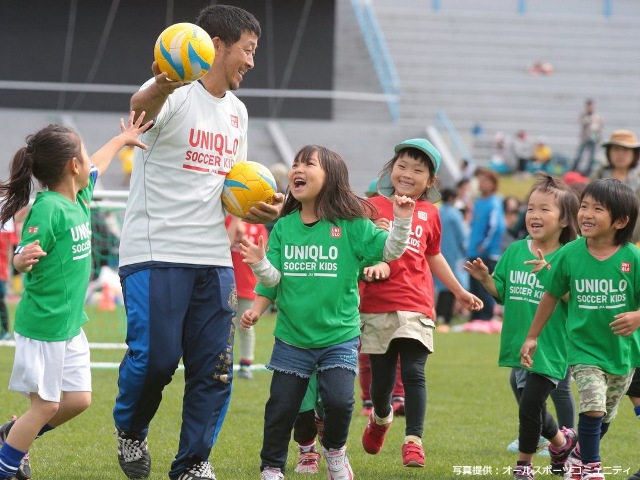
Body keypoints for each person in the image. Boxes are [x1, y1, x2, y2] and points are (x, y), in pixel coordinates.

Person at [113, 6, 283, 480]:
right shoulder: (174, 94)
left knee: (216, 369)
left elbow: (237, 186)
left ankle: (192, 463)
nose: (251, 61)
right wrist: (164, 82)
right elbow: (140, 110)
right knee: (156, 361)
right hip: (155, 251)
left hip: (214, 257)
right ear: (216, 44)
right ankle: (129, 428)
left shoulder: (238, 112)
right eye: (248, 49)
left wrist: (260, 208)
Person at [239, 144, 416, 480]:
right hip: (292, 339)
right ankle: (272, 467)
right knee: (281, 407)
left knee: (339, 402)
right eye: (295, 163)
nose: (297, 169)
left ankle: (334, 451)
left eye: (308, 163)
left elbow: (390, 251)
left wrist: (402, 220)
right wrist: (260, 262)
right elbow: (274, 279)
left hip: (339, 336)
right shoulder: (285, 226)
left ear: (331, 177)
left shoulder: (351, 225)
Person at [0, 112, 151, 480]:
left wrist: (123, 138)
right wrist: (22, 259)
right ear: (72, 165)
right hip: (44, 325)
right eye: (83, 155)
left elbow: (97, 163)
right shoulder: (48, 207)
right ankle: (6, 465)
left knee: (78, 401)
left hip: (69, 325)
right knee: (46, 406)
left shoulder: (80, 195)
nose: (89, 161)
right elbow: (22, 255)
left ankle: (11, 439)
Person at [359, 138, 482, 468]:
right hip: (377, 305)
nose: (408, 173)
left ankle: (414, 440)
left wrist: (458, 291)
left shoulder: (430, 213)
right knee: (381, 384)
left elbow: (434, 256)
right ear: (391, 170)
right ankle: (381, 419)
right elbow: (358, 251)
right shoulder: (371, 207)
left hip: (417, 303)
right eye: (402, 166)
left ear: (430, 181)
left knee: (414, 372)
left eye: (418, 169)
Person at [520, 178, 640, 480]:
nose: (586, 213)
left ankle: (576, 457)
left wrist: (638, 317)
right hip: (584, 350)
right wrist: (532, 336)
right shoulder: (570, 253)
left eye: (597, 209)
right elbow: (550, 295)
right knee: (592, 405)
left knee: (605, 416)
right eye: (584, 206)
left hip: (623, 354)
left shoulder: (633, 258)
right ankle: (591, 468)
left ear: (621, 220)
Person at [464, 173, 580, 479]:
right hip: (518, 343)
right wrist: (485, 278)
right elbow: (501, 291)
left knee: (530, 402)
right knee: (531, 405)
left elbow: (575, 299)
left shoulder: (570, 257)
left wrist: (550, 274)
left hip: (550, 346)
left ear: (565, 220)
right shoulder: (515, 250)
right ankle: (562, 442)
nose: (535, 215)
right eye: (531, 208)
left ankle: (524, 466)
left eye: (545, 209)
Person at [225, 215, 269, 379]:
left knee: (246, 326)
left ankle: (245, 365)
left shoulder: (258, 225)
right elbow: (225, 245)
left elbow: (262, 254)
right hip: (225, 283)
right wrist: (236, 221)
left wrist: (243, 237)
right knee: (222, 327)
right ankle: (221, 363)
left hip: (247, 285)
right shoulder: (227, 219)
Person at [465, 167, 505, 332]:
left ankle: (486, 317)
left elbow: (496, 226)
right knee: (473, 286)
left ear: (492, 183)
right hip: (473, 251)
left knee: (485, 286)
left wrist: (484, 244)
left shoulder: (494, 202)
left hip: (487, 253)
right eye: (479, 181)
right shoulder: (478, 202)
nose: (481, 184)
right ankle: (475, 316)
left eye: (484, 181)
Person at [590, 129, 640, 244]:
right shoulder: (598, 175)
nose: (620, 154)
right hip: (600, 239)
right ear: (609, 152)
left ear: (634, 153)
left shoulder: (638, 179)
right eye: (616, 149)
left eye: (626, 149)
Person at [434, 188, 469, 332]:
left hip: (436, 252)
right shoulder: (455, 215)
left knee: (441, 285)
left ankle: (439, 314)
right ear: (451, 199)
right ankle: (446, 316)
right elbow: (462, 236)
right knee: (451, 284)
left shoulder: (437, 212)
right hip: (453, 254)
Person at [571, 99, 603, 177]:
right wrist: (589, 120)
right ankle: (574, 170)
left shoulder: (597, 116)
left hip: (593, 139)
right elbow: (582, 122)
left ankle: (588, 172)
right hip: (585, 138)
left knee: (591, 157)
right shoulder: (584, 115)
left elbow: (600, 126)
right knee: (579, 155)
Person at [0, 218, 17, 340]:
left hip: (1, 269)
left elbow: (10, 247)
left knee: (1, 300)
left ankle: (5, 331)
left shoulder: (6, 218)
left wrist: (8, 269)